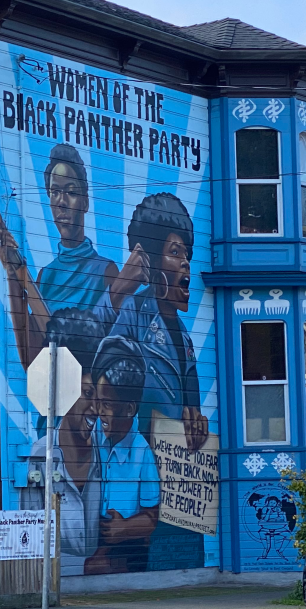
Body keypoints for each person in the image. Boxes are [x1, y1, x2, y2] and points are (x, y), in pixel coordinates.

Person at [0, 144, 118, 369]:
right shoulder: (47, 275)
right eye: (54, 192)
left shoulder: (107, 272)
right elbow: (30, 359)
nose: (61, 202)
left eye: (71, 192)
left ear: (85, 201)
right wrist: (11, 273)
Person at [109, 192, 208, 451]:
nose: (185, 263)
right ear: (151, 262)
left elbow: (191, 402)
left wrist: (196, 425)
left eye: (187, 254)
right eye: (175, 252)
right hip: (139, 457)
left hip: (174, 466)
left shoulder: (184, 335)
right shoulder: (134, 311)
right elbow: (109, 379)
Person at [19, 309, 108, 574]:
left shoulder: (110, 455)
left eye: (99, 395)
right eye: (88, 393)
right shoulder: (39, 457)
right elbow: (32, 541)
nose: (95, 407)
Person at [85, 335, 159, 575]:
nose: (98, 410)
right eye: (96, 400)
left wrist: (124, 528)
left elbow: (151, 516)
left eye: (106, 404)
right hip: (90, 540)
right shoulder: (91, 433)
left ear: (129, 409)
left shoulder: (141, 453)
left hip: (126, 547)